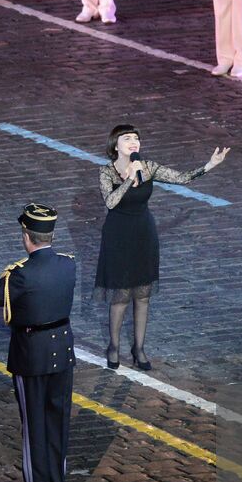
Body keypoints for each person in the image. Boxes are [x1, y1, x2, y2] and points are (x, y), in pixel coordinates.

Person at [94, 126, 228, 370]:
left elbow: (182, 178)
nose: (134, 142)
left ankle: (139, 347)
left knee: (143, 295)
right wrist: (129, 179)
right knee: (122, 295)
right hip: (118, 236)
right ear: (116, 145)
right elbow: (111, 203)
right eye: (127, 139)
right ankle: (113, 346)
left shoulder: (149, 167)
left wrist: (210, 165)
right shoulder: (106, 172)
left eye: (136, 138)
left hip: (144, 233)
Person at [0, 203, 77, 482]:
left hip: (31, 354)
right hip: (62, 350)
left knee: (34, 423)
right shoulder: (68, 264)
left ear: (26, 236)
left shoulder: (21, 275)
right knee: (58, 420)